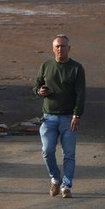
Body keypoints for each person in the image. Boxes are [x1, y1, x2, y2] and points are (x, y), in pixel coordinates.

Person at [34, 33, 85, 198]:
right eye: (57, 46)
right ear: (53, 48)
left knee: (69, 154)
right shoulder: (46, 65)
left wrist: (77, 115)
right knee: (47, 151)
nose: (60, 49)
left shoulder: (76, 68)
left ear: (69, 49)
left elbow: (81, 94)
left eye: (63, 46)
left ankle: (66, 186)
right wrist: (40, 91)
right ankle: (55, 178)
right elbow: (37, 85)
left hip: (69, 118)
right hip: (49, 118)